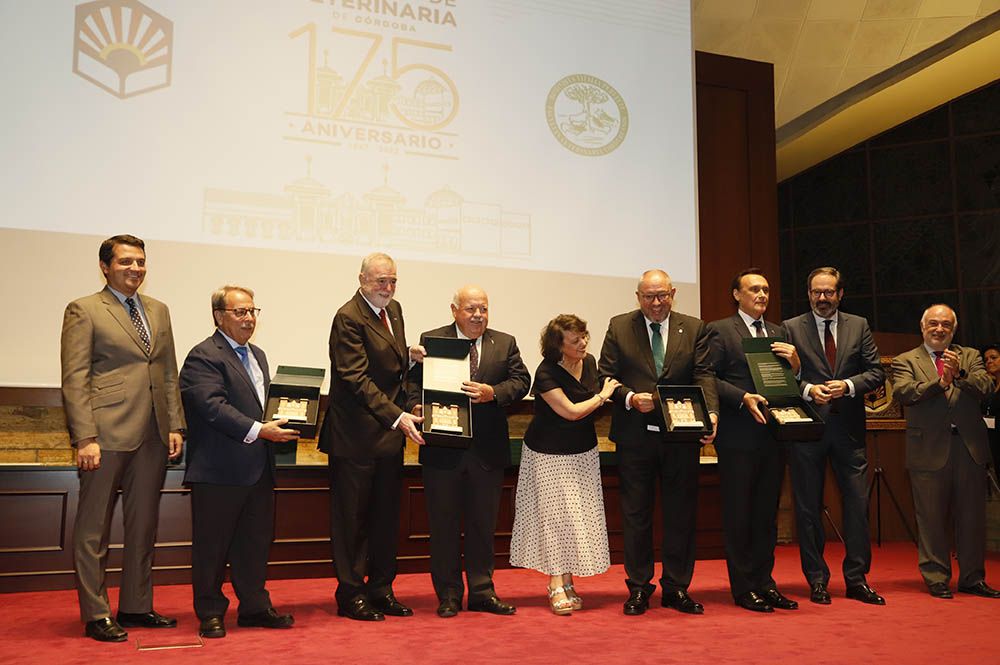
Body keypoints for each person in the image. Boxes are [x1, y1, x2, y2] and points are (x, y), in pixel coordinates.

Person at [60, 234, 185, 642]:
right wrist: (85, 437)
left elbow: (167, 371)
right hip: (105, 433)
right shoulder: (85, 309)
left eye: (141, 262)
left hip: (152, 433)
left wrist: (174, 425)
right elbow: (75, 378)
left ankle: (135, 605)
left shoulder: (159, 310)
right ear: (105, 266)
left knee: (143, 525)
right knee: (93, 529)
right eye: (126, 262)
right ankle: (97, 613)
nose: (135, 269)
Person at [179, 285, 298, 638]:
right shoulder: (203, 356)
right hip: (218, 470)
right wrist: (260, 430)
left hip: (257, 468)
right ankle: (210, 612)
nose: (249, 319)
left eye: (252, 312)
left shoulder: (257, 354)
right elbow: (212, 408)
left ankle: (255, 607)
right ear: (219, 316)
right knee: (212, 548)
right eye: (240, 312)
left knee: (254, 543)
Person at [598, 269, 719, 615]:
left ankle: (677, 588)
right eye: (649, 297)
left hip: (681, 436)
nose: (656, 303)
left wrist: (711, 414)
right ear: (638, 297)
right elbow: (606, 375)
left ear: (673, 293)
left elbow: (704, 373)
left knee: (681, 514)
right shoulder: (620, 326)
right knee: (636, 515)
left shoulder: (694, 327)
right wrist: (630, 397)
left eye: (662, 295)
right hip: (635, 435)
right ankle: (639, 588)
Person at [408, 286, 530, 618]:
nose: (478, 315)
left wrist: (494, 392)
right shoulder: (432, 340)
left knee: (482, 526)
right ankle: (448, 594)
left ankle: (482, 591)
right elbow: (412, 384)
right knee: (444, 526)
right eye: (471, 309)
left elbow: (522, 381)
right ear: (454, 310)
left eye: (484, 309)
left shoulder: (504, 342)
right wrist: (416, 406)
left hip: (486, 452)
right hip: (442, 450)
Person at [318, 252, 426, 621]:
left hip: (388, 436)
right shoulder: (348, 317)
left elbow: (390, 370)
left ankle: (381, 589)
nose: (388, 288)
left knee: (385, 518)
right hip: (355, 437)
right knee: (352, 521)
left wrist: (409, 358)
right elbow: (356, 378)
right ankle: (350, 594)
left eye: (393, 280)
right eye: (381, 281)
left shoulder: (393, 312)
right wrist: (397, 417)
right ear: (362, 278)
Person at [781, 267, 886, 606]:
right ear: (808, 294)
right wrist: (809, 389)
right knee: (808, 509)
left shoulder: (859, 325)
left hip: (849, 432)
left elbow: (876, 372)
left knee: (857, 505)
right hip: (807, 429)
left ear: (840, 294)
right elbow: (780, 377)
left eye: (828, 292)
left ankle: (856, 579)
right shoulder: (790, 327)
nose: (822, 299)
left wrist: (849, 386)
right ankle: (816, 580)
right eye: (816, 293)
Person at [509, 315, 619, 615]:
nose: (583, 343)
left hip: (582, 453)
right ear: (559, 345)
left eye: (584, 336)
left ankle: (569, 580)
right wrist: (603, 396)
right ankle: (556, 583)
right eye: (575, 340)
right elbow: (571, 412)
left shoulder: (591, 361)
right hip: (548, 455)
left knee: (576, 518)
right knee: (555, 519)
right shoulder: (545, 373)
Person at [705, 268, 801, 613]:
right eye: (753, 289)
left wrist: (796, 365)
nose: (761, 295)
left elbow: (785, 384)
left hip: (773, 436)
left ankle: (765, 582)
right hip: (738, 436)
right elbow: (708, 379)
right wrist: (741, 396)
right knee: (739, 514)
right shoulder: (719, 330)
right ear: (736, 294)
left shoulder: (779, 332)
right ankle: (744, 587)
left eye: (765, 289)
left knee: (766, 515)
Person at [891, 304, 1000, 599]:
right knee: (931, 518)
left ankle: (972, 578)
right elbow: (904, 392)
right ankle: (936, 577)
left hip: (969, 448)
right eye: (934, 324)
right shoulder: (905, 360)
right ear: (923, 326)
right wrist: (939, 384)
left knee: (972, 517)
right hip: (927, 449)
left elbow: (987, 386)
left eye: (946, 325)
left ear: (954, 330)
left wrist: (960, 373)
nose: (939, 329)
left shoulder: (970, 357)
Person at [981, 343, 1000, 469]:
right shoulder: (990, 386)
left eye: (993, 358)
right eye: (986, 360)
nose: (989, 362)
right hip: (993, 440)